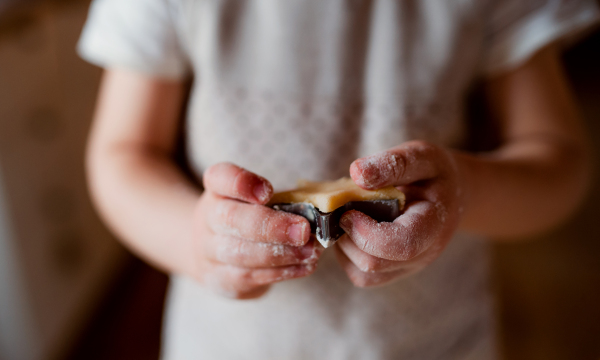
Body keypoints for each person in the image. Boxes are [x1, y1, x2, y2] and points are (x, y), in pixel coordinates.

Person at [78, 0, 598, 358]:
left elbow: (559, 164)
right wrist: (194, 239)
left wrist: (465, 191)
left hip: (435, 343)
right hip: (228, 346)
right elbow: (123, 153)